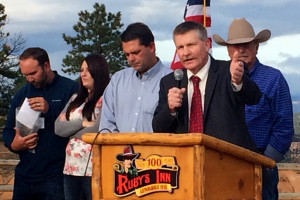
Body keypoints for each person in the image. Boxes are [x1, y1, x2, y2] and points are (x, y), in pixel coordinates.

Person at [212, 18, 294, 200]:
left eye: (246, 44)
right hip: (222, 165)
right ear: (228, 50)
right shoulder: (217, 79)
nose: (241, 50)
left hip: (261, 163)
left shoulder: (274, 79)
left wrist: (264, 163)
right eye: (235, 45)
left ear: (256, 46)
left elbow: (284, 128)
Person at [152, 21, 261, 151]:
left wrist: (238, 81)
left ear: (207, 44)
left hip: (226, 161)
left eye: (191, 45)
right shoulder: (170, 82)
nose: (185, 53)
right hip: (186, 161)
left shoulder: (228, 71)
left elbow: (254, 97)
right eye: (180, 47)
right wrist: (170, 110)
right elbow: (158, 129)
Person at [2, 47, 78, 200]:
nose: (29, 79)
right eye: (25, 75)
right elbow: (8, 131)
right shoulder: (22, 94)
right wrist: (14, 144)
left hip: (57, 176)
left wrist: (50, 110)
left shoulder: (70, 89)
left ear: (46, 66)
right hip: (25, 175)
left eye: (33, 73)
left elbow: (77, 125)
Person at [54, 54, 110, 200]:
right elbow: (58, 128)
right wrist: (82, 123)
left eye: (88, 70)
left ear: (98, 71)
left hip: (93, 169)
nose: (83, 74)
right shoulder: (75, 99)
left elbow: (96, 130)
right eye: (81, 70)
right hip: (71, 168)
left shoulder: (106, 98)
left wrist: (70, 131)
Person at [99, 22, 172, 133]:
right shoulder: (117, 80)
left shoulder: (171, 80)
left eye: (135, 52)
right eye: (127, 54)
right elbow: (106, 124)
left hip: (156, 149)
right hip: (118, 149)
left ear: (151, 47)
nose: (131, 59)